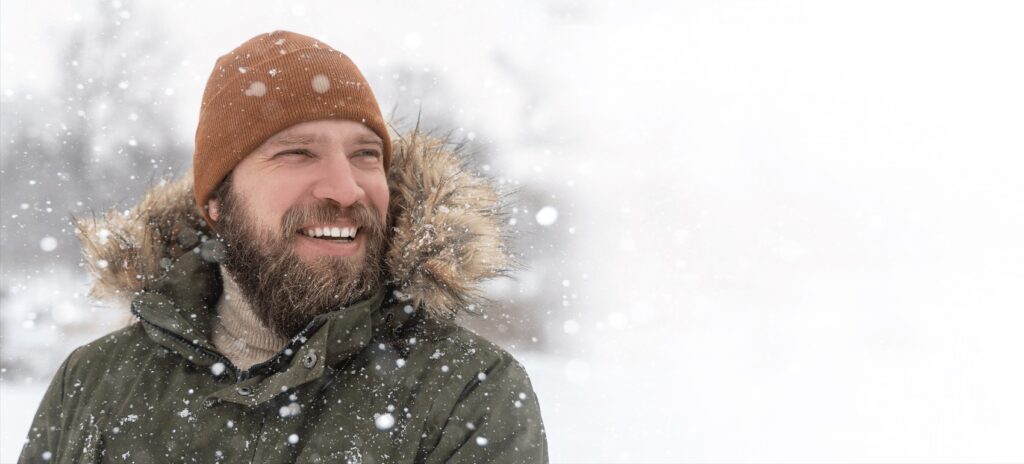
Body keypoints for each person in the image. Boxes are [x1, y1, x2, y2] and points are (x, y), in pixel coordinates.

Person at [20, 30, 547, 463]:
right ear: (216, 203)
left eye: (366, 155)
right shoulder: (96, 384)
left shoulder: (463, 391)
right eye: (297, 153)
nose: (345, 188)